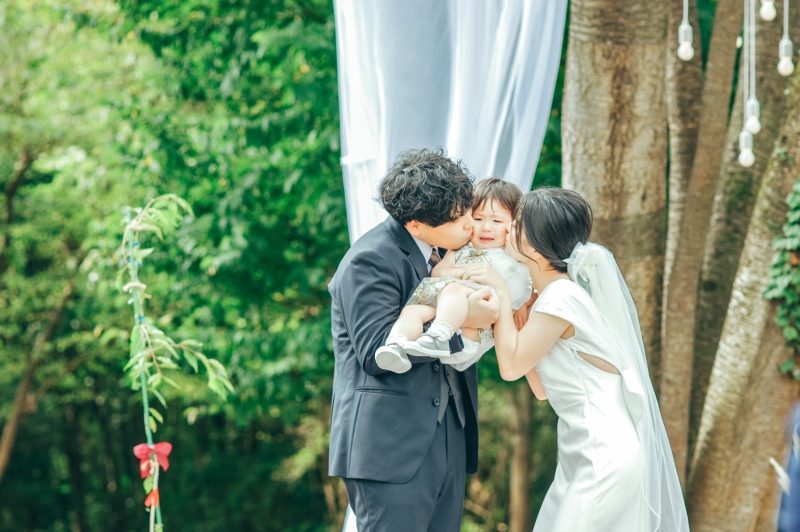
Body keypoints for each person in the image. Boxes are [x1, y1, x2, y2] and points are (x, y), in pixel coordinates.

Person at [462, 188, 690, 531]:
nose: (506, 230)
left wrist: (503, 296)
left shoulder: (562, 297)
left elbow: (509, 368)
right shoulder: (551, 297)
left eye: (516, 224)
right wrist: (516, 321)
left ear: (534, 246)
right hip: (581, 450)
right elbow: (541, 389)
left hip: (602, 452)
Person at [328, 148, 497, 532]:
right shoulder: (369, 260)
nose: (469, 223)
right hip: (390, 447)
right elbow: (376, 352)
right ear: (416, 225)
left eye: (467, 210)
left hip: (449, 436)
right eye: (457, 218)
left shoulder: (452, 251)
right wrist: (456, 314)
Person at [375, 178, 532, 374]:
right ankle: (396, 344)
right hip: (444, 307)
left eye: (497, 221)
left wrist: (522, 305)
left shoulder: (512, 258)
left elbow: (518, 293)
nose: (486, 227)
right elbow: (437, 273)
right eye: (478, 218)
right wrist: (452, 274)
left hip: (469, 335)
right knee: (413, 310)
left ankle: (439, 335)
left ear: (514, 225)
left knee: (453, 291)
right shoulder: (459, 248)